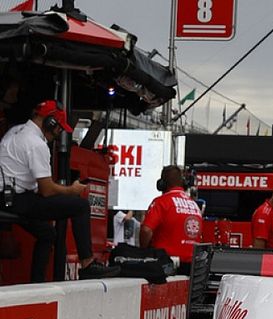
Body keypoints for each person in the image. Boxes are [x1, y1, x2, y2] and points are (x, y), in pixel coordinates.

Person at [0, 100, 119, 281]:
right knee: (79, 206)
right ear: (50, 122)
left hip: (8, 197)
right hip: (17, 199)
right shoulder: (36, 144)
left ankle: (37, 283)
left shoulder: (15, 132)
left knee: (47, 234)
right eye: (58, 128)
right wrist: (72, 189)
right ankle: (87, 264)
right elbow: (47, 190)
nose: (58, 133)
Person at [140, 165, 204, 273]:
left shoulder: (161, 202)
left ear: (162, 184)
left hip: (166, 266)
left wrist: (142, 252)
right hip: (192, 269)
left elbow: (146, 230)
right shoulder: (194, 206)